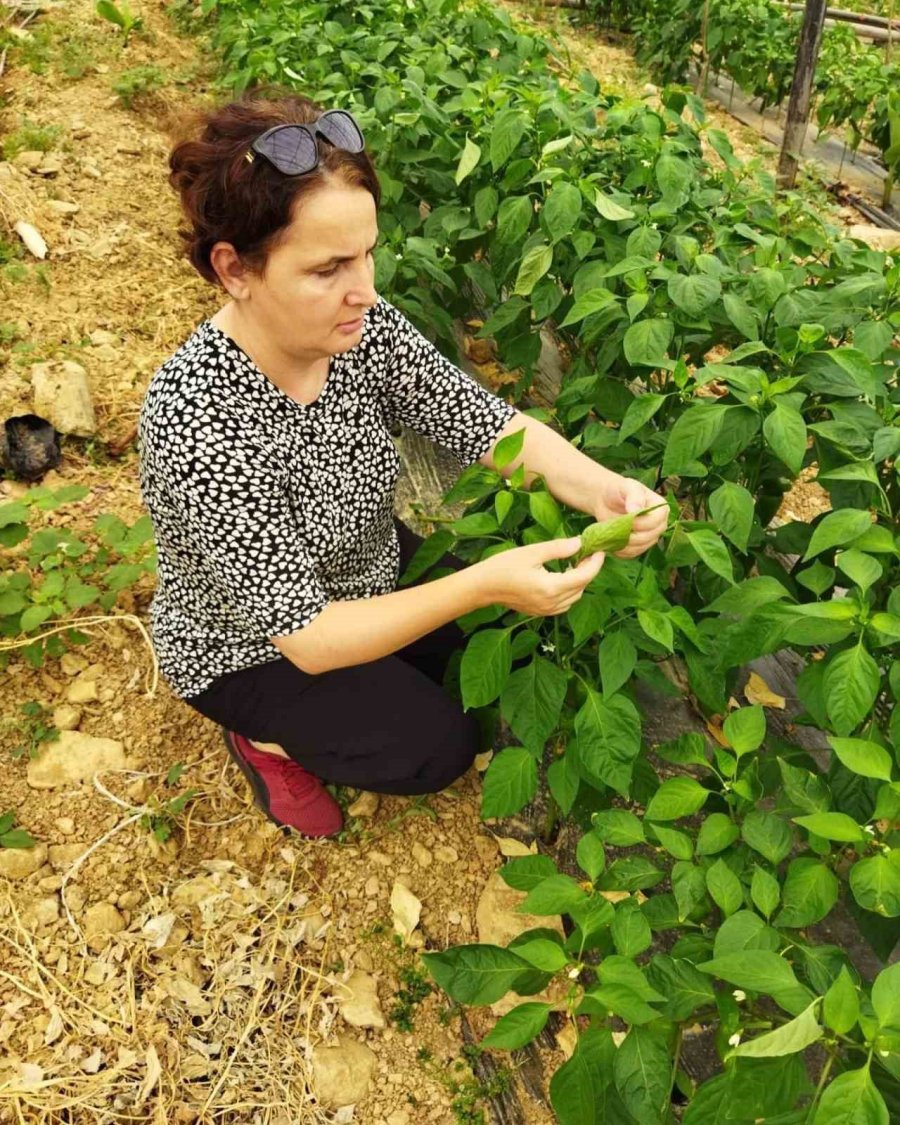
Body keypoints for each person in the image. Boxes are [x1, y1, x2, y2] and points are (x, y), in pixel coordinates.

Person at [137, 92, 668, 839]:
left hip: (366, 563)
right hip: (253, 641)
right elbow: (310, 633)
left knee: (493, 672)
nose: (367, 290)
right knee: (435, 749)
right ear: (235, 269)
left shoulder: (361, 326)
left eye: (368, 252)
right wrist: (483, 580)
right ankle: (262, 740)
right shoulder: (197, 418)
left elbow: (487, 423)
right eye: (328, 268)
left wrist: (606, 490)